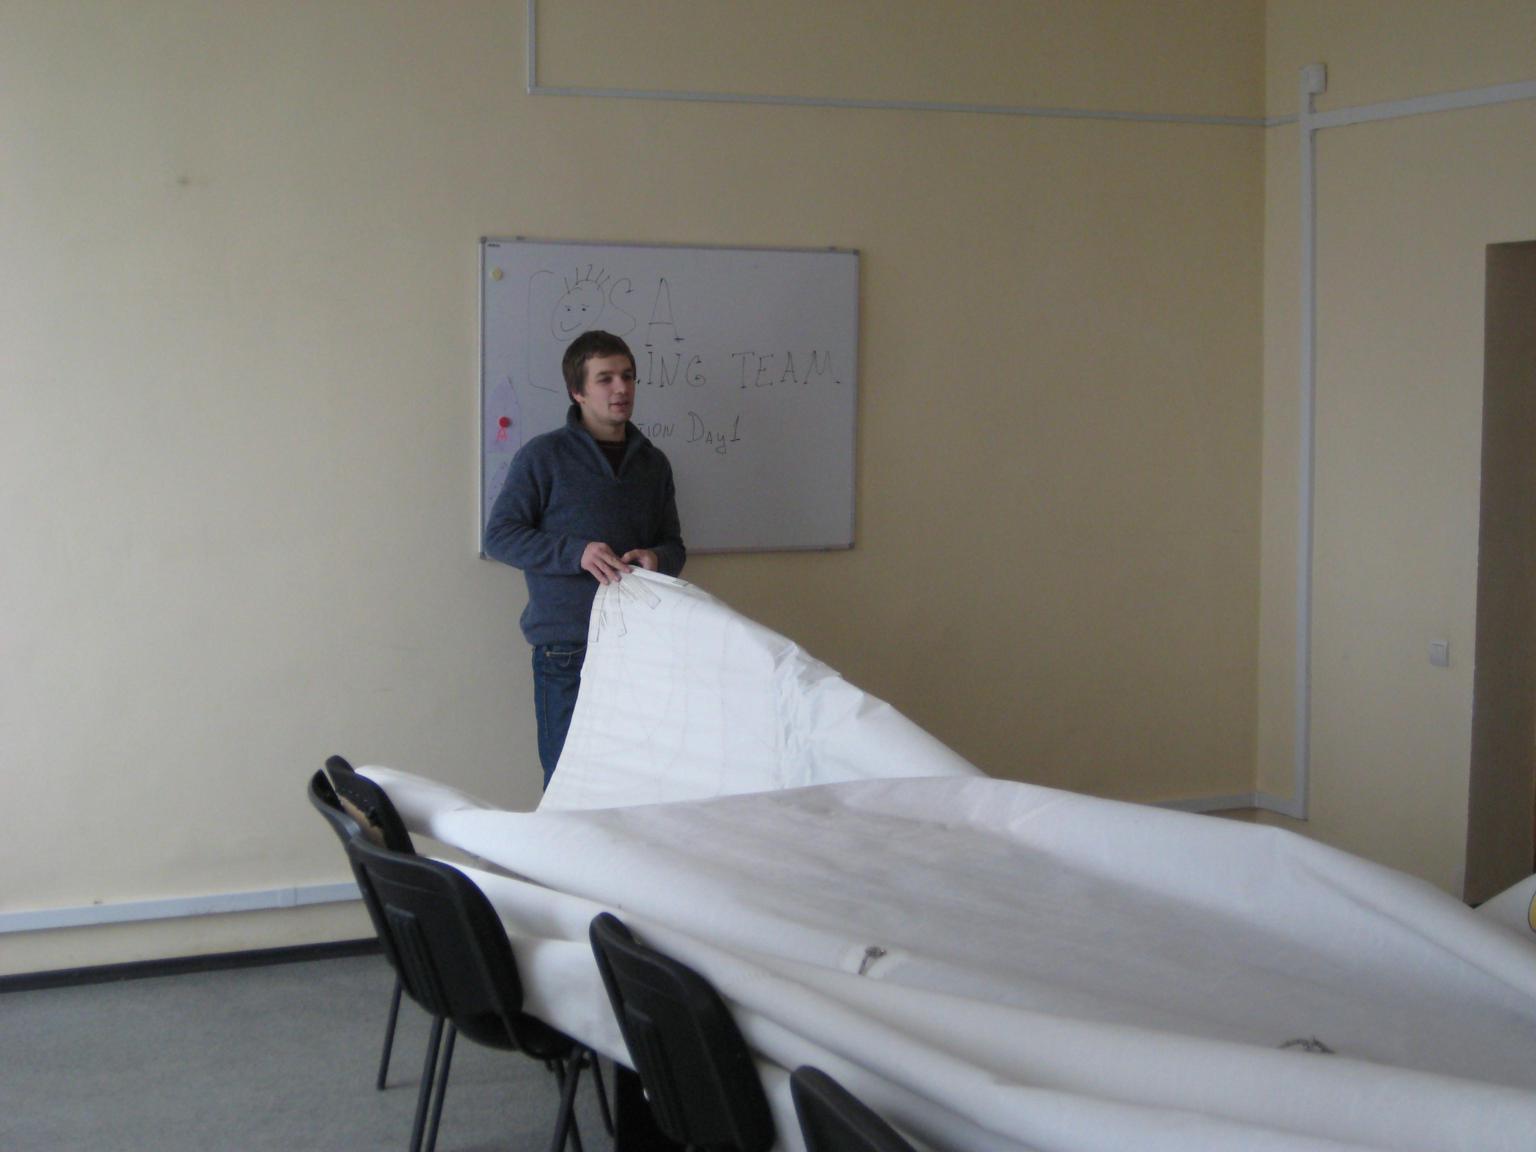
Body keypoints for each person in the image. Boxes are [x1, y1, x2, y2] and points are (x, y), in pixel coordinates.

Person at [484, 330, 686, 787]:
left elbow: (674, 545)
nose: (621, 388)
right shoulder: (543, 456)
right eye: (605, 378)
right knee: (569, 784)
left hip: (640, 646)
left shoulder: (653, 464)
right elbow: (500, 537)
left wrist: (656, 558)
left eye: (628, 376)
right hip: (566, 650)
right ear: (577, 391)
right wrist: (577, 552)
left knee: (636, 782)